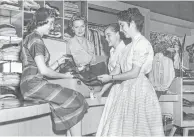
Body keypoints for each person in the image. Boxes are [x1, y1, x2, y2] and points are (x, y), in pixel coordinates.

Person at [20, 8, 88, 136]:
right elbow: (44, 71)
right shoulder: (36, 39)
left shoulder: (30, 38)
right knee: (78, 99)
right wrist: (66, 76)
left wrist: (59, 62)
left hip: (29, 84)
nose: (52, 27)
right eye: (50, 23)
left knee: (70, 102)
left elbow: (39, 68)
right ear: (42, 22)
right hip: (35, 85)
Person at [96, 8, 164, 136]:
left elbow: (134, 73)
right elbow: (117, 71)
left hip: (139, 90)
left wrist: (110, 77)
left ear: (132, 24)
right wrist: (102, 87)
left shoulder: (142, 43)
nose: (121, 30)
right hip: (126, 90)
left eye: (122, 25)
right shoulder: (127, 47)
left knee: (139, 130)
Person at [93, 23, 126, 98]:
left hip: (123, 90)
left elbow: (115, 73)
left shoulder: (123, 50)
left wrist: (101, 92)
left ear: (117, 34)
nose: (106, 39)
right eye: (105, 36)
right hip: (115, 89)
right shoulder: (112, 51)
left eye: (109, 35)